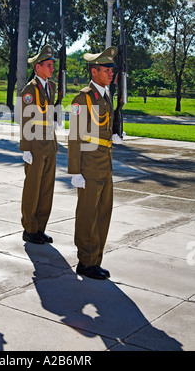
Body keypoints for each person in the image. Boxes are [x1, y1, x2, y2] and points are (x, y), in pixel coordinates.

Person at [68, 46, 122, 280]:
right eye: (107, 68)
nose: (112, 72)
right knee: (88, 213)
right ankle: (85, 261)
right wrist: (74, 171)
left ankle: (96, 258)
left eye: (112, 68)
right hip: (89, 165)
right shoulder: (84, 98)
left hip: (105, 163)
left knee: (103, 213)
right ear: (94, 70)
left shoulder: (106, 95)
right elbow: (75, 136)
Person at [20, 44, 57, 245]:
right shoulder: (30, 90)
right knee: (33, 188)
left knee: (46, 188)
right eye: (49, 65)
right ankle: (29, 227)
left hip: (50, 143)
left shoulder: (51, 87)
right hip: (34, 144)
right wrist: (25, 148)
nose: (52, 69)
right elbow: (26, 119)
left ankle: (40, 227)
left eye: (52, 65)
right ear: (38, 68)